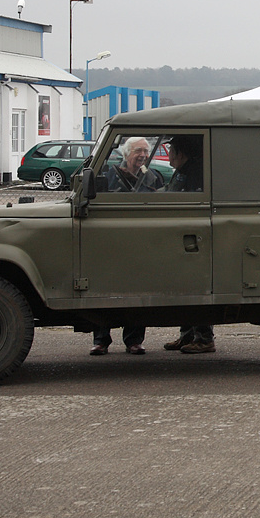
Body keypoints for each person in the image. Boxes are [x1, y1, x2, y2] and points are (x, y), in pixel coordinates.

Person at [89, 137, 162, 355]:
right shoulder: (109, 176)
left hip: (142, 242)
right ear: (127, 153)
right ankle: (101, 340)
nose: (142, 155)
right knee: (103, 290)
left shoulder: (153, 178)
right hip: (111, 241)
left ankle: (134, 340)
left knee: (138, 292)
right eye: (138, 151)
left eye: (145, 152)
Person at [161, 135, 217, 354]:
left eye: (171, 152)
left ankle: (204, 338)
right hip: (183, 233)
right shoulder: (185, 170)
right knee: (184, 287)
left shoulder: (195, 172)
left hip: (192, 236)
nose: (169, 157)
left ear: (180, 154)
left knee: (195, 287)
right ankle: (187, 335)